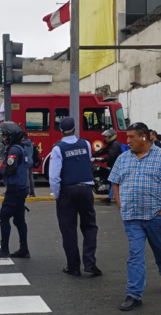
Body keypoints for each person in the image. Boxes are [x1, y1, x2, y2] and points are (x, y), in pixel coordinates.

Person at [108, 122, 161, 311]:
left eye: (131, 137)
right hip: (132, 217)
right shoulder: (123, 159)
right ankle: (134, 294)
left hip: (156, 217)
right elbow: (115, 182)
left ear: (143, 137)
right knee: (135, 256)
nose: (127, 141)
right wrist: (120, 204)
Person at [49, 117, 101, 277]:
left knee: (68, 229)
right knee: (89, 226)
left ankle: (73, 267)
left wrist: (57, 195)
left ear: (60, 130)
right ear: (75, 128)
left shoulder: (58, 149)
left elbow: (54, 176)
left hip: (67, 191)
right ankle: (90, 263)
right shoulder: (85, 144)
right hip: (85, 189)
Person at [0, 122, 31, 259]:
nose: (3, 137)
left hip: (14, 189)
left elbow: (10, 169)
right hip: (21, 187)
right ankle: (24, 249)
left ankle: (4, 249)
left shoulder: (13, 150)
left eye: (5, 135)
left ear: (11, 136)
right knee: (19, 220)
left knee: (3, 218)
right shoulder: (20, 148)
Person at [93, 129, 122, 206]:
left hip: (118, 166)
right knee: (113, 181)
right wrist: (92, 155)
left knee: (114, 182)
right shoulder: (110, 145)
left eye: (106, 137)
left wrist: (102, 159)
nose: (105, 138)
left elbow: (111, 157)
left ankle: (109, 199)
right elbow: (102, 151)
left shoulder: (115, 144)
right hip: (113, 166)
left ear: (111, 137)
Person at [21, 132, 36, 198]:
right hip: (31, 161)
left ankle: (26, 192)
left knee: (26, 178)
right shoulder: (31, 143)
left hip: (25, 162)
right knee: (31, 178)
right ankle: (32, 192)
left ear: (23, 137)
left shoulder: (23, 144)